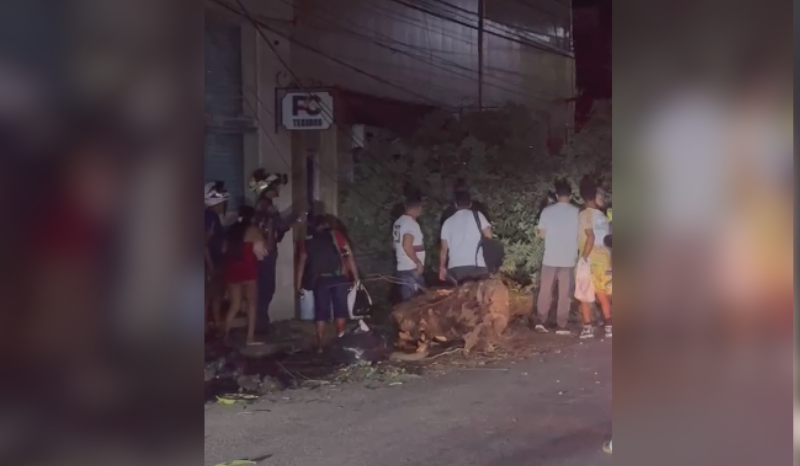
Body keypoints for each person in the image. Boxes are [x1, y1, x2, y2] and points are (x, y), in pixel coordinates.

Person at [250, 169, 305, 332]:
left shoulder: (263, 205)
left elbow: (277, 228)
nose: (278, 190)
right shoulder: (267, 206)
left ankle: (261, 322)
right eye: (276, 186)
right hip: (267, 252)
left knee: (265, 288)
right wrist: (297, 216)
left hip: (266, 251)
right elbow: (280, 226)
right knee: (266, 288)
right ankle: (261, 324)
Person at [296, 215, 359, 352]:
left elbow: (301, 263)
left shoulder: (307, 241)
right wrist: (356, 277)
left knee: (321, 313)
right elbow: (349, 256)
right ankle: (340, 344)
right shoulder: (337, 235)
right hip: (339, 278)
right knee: (340, 312)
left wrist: (298, 284)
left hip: (320, 280)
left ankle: (320, 346)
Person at [533, 180, 579, 335]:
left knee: (545, 290)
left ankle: (541, 321)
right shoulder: (577, 212)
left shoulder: (547, 211)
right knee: (565, 293)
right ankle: (562, 325)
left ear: (557, 195)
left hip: (550, 257)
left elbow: (541, 235)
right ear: (571, 195)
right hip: (569, 258)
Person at [221, 205, 267, 346]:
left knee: (234, 305)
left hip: (232, 270)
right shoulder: (254, 230)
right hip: (248, 270)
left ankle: (224, 336)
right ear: (252, 217)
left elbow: (223, 250)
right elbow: (262, 254)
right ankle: (249, 338)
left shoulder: (230, 230)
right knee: (252, 304)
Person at [576, 179, 612, 339]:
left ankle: (587, 327)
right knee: (602, 293)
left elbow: (590, 237)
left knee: (584, 293)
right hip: (604, 258)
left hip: (589, 258)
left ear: (584, 197)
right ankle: (609, 326)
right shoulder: (603, 217)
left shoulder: (584, 215)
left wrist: (583, 258)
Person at [439, 190, 493, 284]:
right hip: (477, 266)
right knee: (478, 295)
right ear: (470, 204)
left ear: (455, 204)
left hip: (455, 268)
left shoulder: (447, 222)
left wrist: (442, 268)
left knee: (459, 296)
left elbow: (444, 250)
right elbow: (489, 238)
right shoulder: (478, 216)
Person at [204, 181, 228, 332]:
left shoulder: (214, 217)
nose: (224, 206)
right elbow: (203, 244)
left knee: (216, 294)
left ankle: (217, 322)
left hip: (216, 261)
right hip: (210, 263)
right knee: (208, 295)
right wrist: (211, 266)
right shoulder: (209, 217)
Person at [393, 195, 425, 301]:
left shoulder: (398, 222)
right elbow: (407, 245)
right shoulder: (410, 223)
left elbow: (394, 244)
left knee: (409, 301)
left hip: (403, 267)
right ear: (418, 208)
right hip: (411, 268)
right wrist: (417, 261)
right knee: (414, 302)